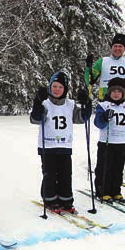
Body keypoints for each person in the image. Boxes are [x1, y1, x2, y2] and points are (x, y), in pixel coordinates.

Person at [30, 70, 92, 213]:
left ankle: (66, 200)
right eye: (54, 86)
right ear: (50, 86)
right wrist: (37, 102)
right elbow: (35, 119)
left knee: (65, 174)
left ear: (65, 89)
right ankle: (50, 199)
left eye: (60, 87)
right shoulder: (45, 103)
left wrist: (87, 103)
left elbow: (82, 118)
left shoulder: (70, 105)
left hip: (65, 145)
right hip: (48, 145)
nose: (57, 89)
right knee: (49, 174)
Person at [93, 77, 125, 204]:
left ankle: (116, 191)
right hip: (107, 142)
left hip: (121, 143)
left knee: (118, 169)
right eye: (113, 91)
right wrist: (104, 117)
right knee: (105, 167)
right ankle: (103, 191)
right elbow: (98, 123)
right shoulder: (103, 105)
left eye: (119, 92)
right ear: (109, 92)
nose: (116, 94)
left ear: (123, 93)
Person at [85, 33, 125, 101]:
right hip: (104, 100)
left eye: (120, 46)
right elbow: (89, 81)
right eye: (115, 46)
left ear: (124, 48)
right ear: (112, 47)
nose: (117, 48)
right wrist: (88, 66)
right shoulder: (102, 61)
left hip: (122, 101)